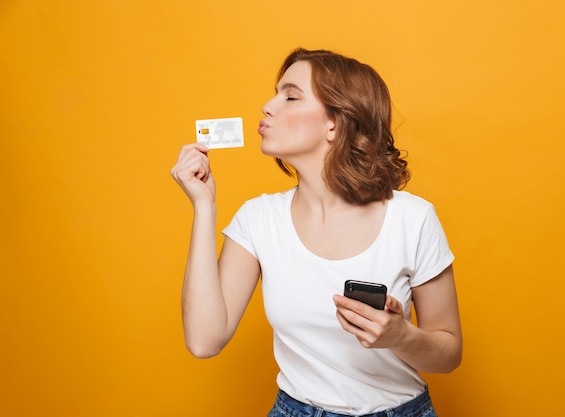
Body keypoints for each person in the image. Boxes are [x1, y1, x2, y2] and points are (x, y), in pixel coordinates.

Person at [171, 48, 462, 417]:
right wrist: (203, 206)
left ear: (336, 124)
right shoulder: (258, 219)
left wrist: (400, 336)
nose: (268, 106)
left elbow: (449, 354)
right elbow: (203, 340)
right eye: (275, 93)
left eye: (290, 96)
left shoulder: (413, 219)